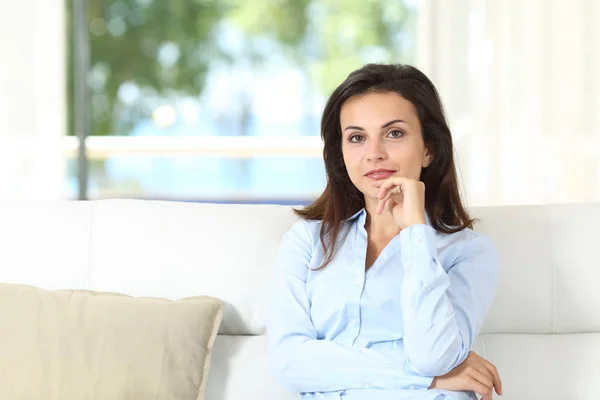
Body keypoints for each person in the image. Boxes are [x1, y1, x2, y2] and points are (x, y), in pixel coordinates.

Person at [267, 63, 503, 400]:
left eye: (394, 133)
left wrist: (416, 235)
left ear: (428, 149)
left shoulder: (469, 252)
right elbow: (289, 362)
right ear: (342, 154)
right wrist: (427, 379)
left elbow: (433, 355)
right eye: (357, 137)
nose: (374, 153)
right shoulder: (308, 243)